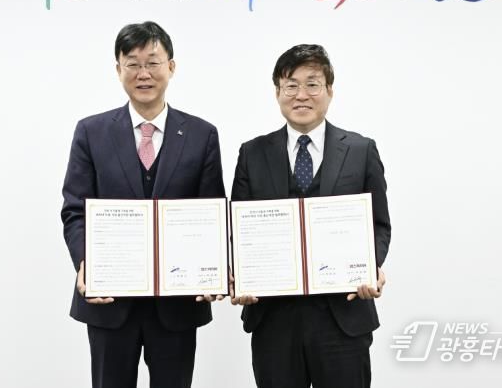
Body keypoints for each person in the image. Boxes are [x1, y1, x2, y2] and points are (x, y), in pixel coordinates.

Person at [61, 21, 225, 388]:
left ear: (171, 66)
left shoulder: (201, 134)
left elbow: (211, 211)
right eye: (132, 64)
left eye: (152, 62)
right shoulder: (91, 131)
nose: (143, 73)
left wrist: (212, 267)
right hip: (110, 300)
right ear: (118, 69)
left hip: (177, 303)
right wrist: (87, 263)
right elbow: (74, 210)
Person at [230, 44, 391, 388]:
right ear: (277, 92)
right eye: (291, 85)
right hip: (273, 319)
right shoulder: (252, 153)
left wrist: (370, 266)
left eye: (312, 84)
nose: (301, 95)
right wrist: (239, 276)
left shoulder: (361, 150)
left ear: (329, 90)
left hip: (343, 316)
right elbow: (238, 231)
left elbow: (379, 224)